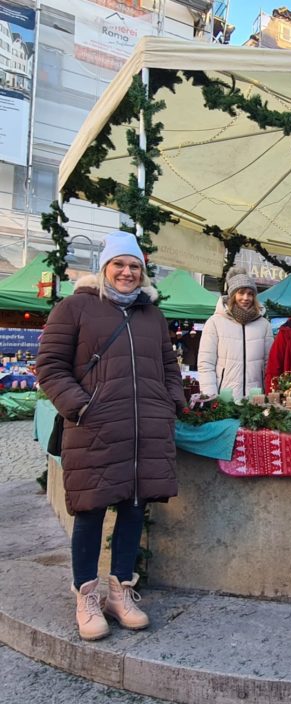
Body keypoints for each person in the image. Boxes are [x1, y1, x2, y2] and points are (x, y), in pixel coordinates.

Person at [36, 231, 185, 642]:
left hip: (144, 431)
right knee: (90, 511)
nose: (127, 272)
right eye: (120, 264)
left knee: (134, 508)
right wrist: (82, 407)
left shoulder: (152, 316)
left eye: (134, 266)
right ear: (104, 268)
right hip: (96, 429)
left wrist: (170, 402)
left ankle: (121, 592)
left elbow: (169, 367)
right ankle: (86, 595)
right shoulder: (75, 308)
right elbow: (49, 367)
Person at [198, 267, 273, 400]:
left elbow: (269, 364)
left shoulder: (264, 325)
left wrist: (267, 395)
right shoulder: (215, 322)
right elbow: (206, 364)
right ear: (232, 295)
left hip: (255, 400)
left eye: (250, 294)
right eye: (241, 293)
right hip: (224, 399)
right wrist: (211, 396)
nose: (246, 298)